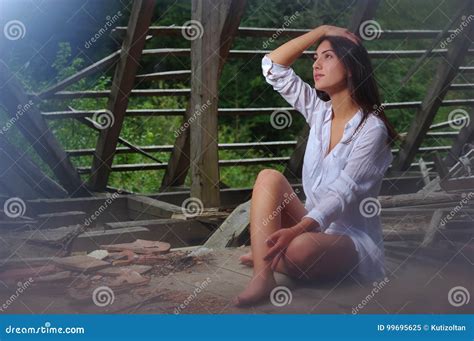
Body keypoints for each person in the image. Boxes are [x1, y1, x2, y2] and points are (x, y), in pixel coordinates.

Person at [234, 25, 399, 307]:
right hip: (314, 225)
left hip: (350, 240)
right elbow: (272, 66)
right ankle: (264, 276)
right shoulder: (319, 112)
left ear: (350, 67)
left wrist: (296, 231)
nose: (317, 65)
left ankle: (268, 254)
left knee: (300, 248)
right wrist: (321, 30)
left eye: (328, 57)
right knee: (268, 177)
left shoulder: (371, 129)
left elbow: (342, 193)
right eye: (315, 58)